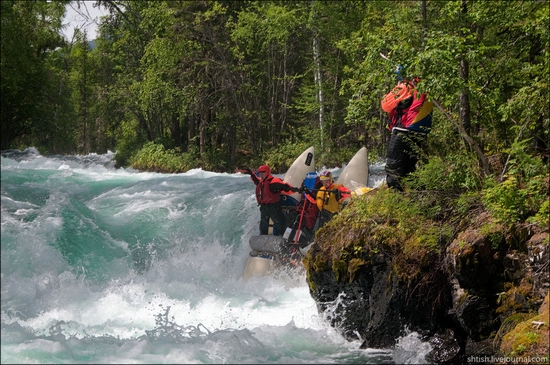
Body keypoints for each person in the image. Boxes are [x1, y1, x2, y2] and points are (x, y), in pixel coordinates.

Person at [381, 76, 433, 191]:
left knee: (393, 166)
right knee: (409, 167)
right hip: (419, 133)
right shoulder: (424, 86)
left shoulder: (404, 87)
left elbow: (385, 105)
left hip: (403, 131)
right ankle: (417, 196)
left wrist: (397, 87)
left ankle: (396, 198)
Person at [238, 165, 300, 235]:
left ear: (267, 173)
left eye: (263, 173)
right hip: (264, 207)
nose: (261, 175)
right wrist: (251, 173)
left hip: (274, 207)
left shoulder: (274, 182)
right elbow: (256, 180)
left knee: (279, 223)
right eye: (260, 174)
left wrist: (295, 189)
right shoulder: (261, 182)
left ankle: (283, 238)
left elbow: (285, 186)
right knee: (263, 224)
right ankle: (262, 236)